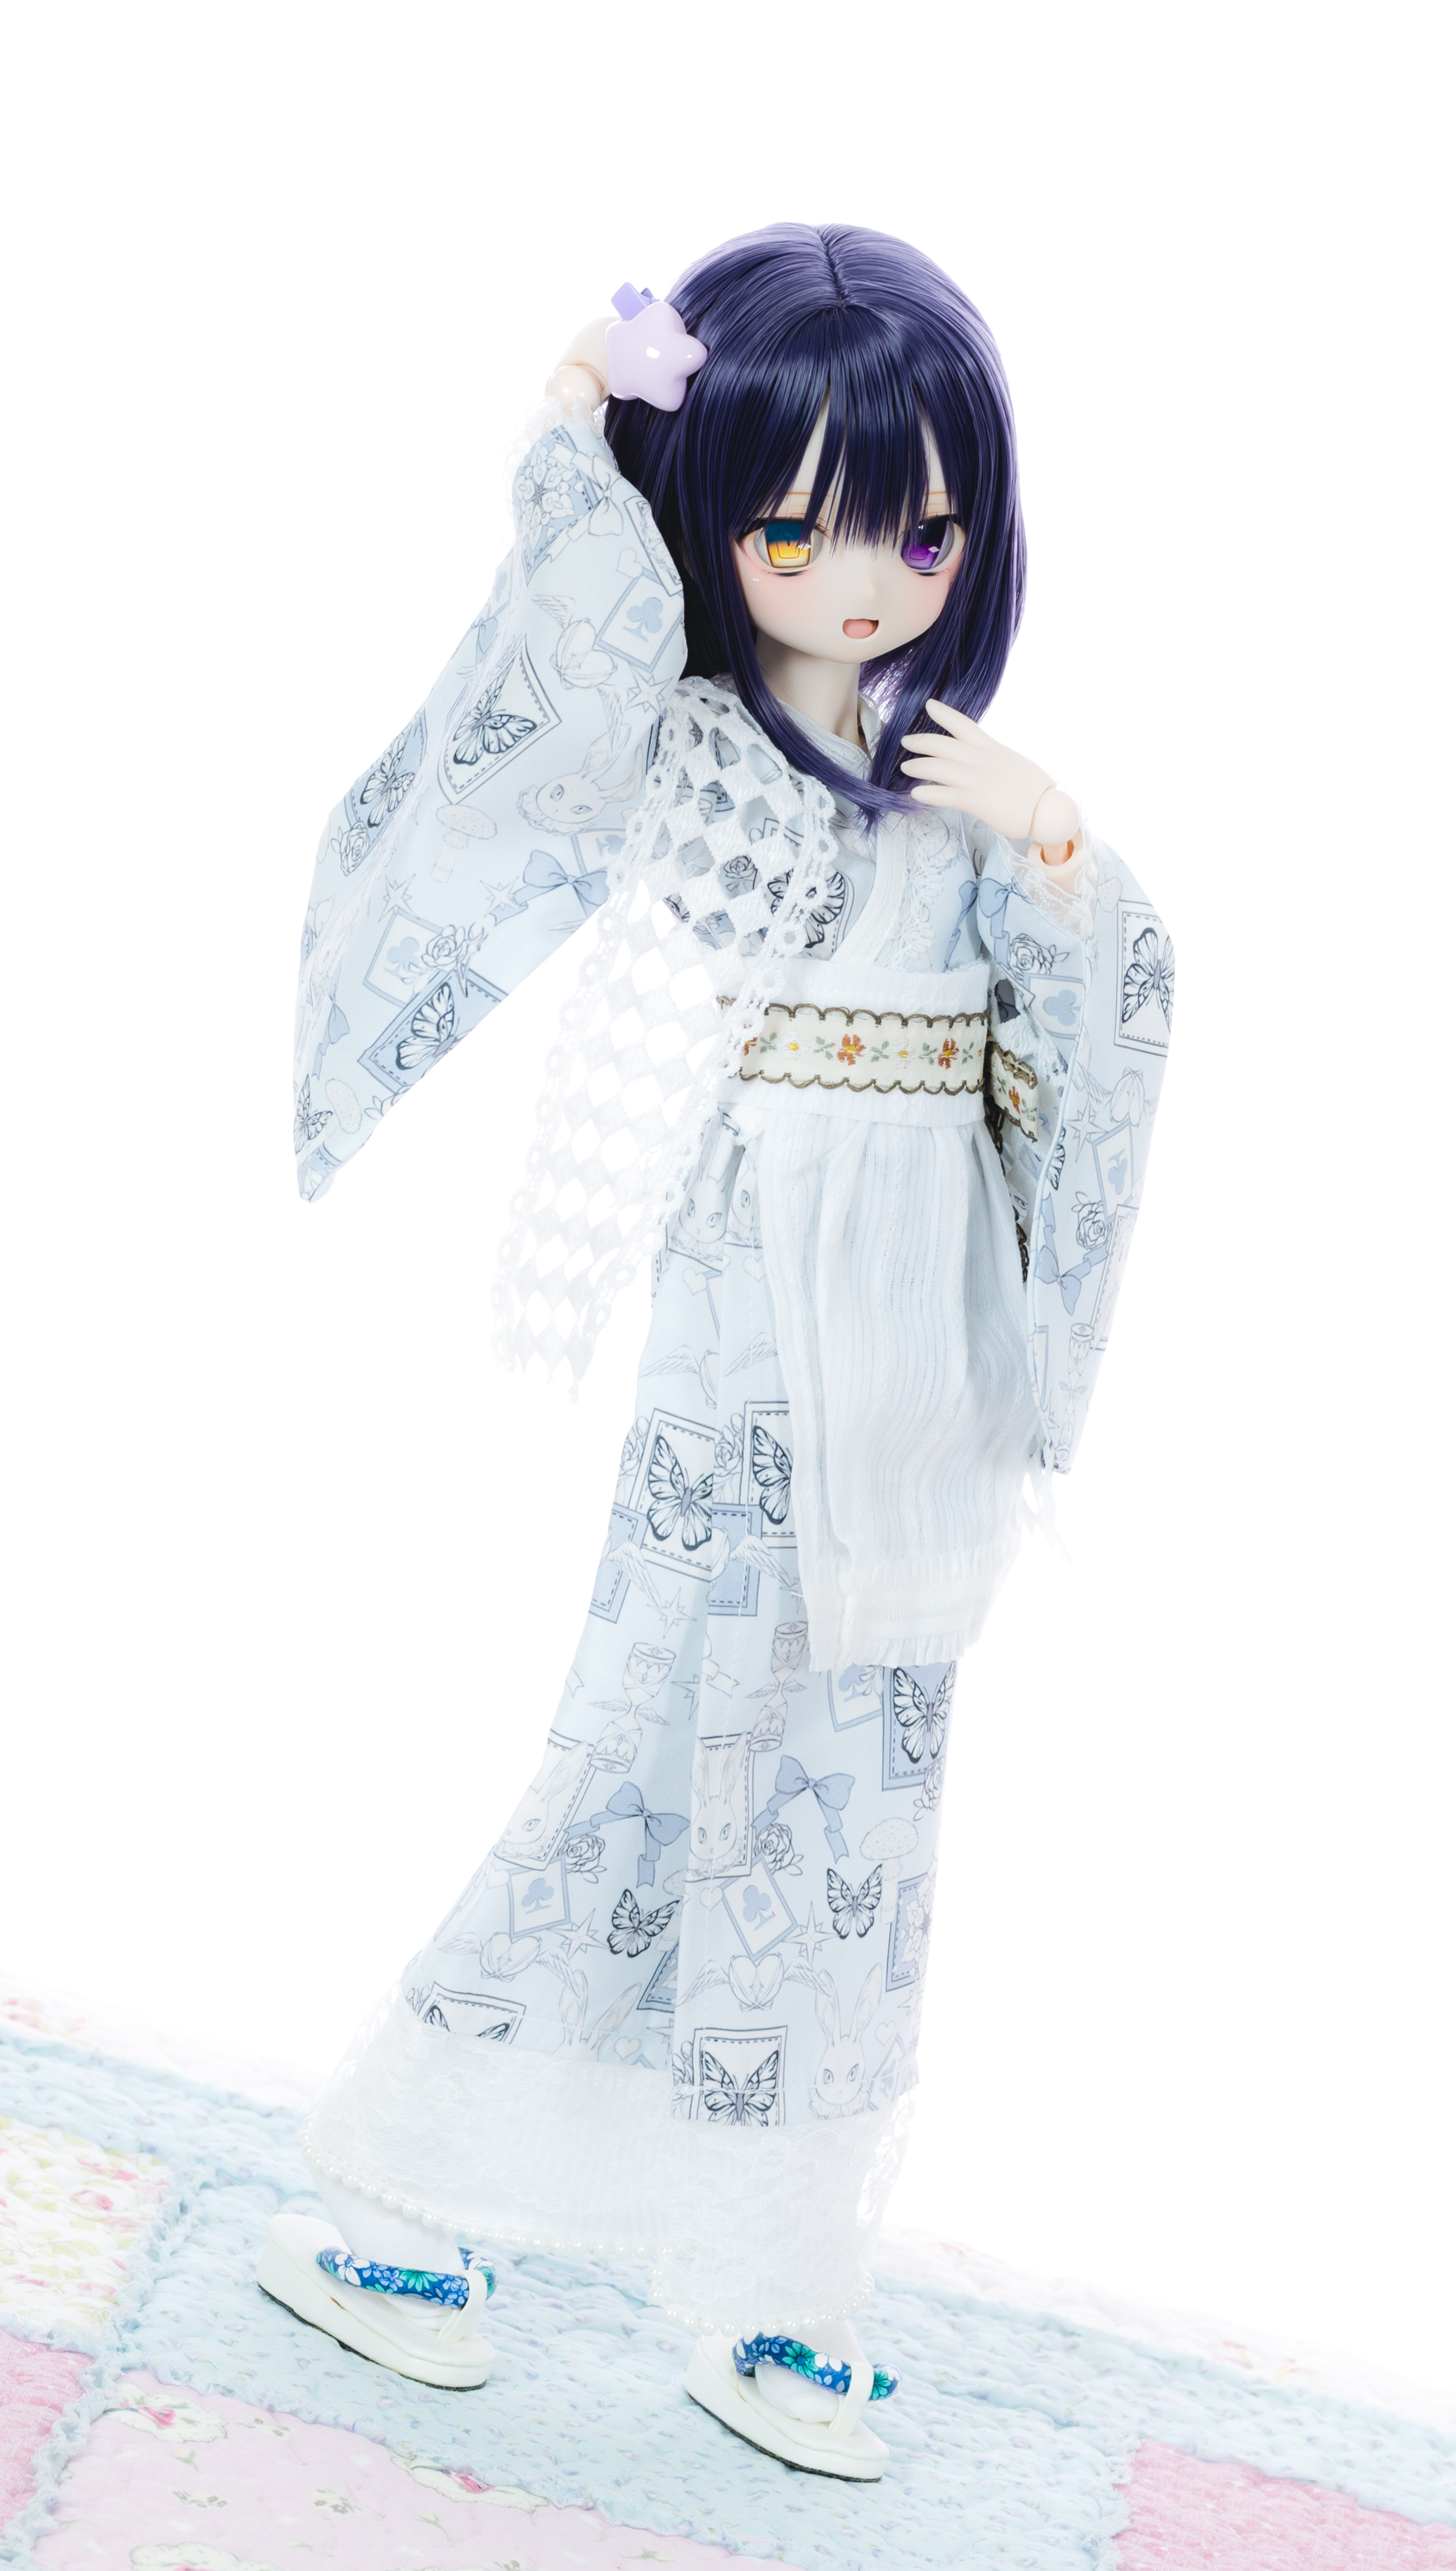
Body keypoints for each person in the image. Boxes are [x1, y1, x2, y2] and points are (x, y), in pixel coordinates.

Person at [260, 222, 1172, 2480]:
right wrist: (578, 410)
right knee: (656, 1743)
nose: (862, 583)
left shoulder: (950, 780)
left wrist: (1059, 847)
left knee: (865, 1788)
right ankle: (401, 2188)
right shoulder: (690, 743)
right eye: (798, 530)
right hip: (752, 1292)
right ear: (724, 521)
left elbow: (1104, 1016)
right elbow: (562, 657)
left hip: (922, 1323)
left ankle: (772, 2275)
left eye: (917, 532)